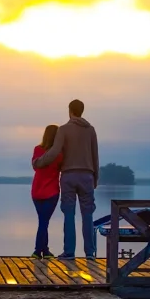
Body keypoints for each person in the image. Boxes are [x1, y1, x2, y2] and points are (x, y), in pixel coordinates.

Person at [33, 99, 99, 260]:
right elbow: (95, 155)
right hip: (87, 176)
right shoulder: (91, 130)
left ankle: (69, 252)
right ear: (82, 111)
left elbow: (54, 152)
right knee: (88, 214)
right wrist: (95, 177)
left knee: (69, 214)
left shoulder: (63, 130)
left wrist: (38, 162)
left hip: (69, 176)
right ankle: (90, 253)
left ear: (70, 110)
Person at [30, 124, 61, 258]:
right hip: (51, 192)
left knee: (43, 220)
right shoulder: (60, 154)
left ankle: (45, 251)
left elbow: (35, 167)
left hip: (36, 191)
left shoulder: (37, 150)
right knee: (44, 221)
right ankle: (38, 251)